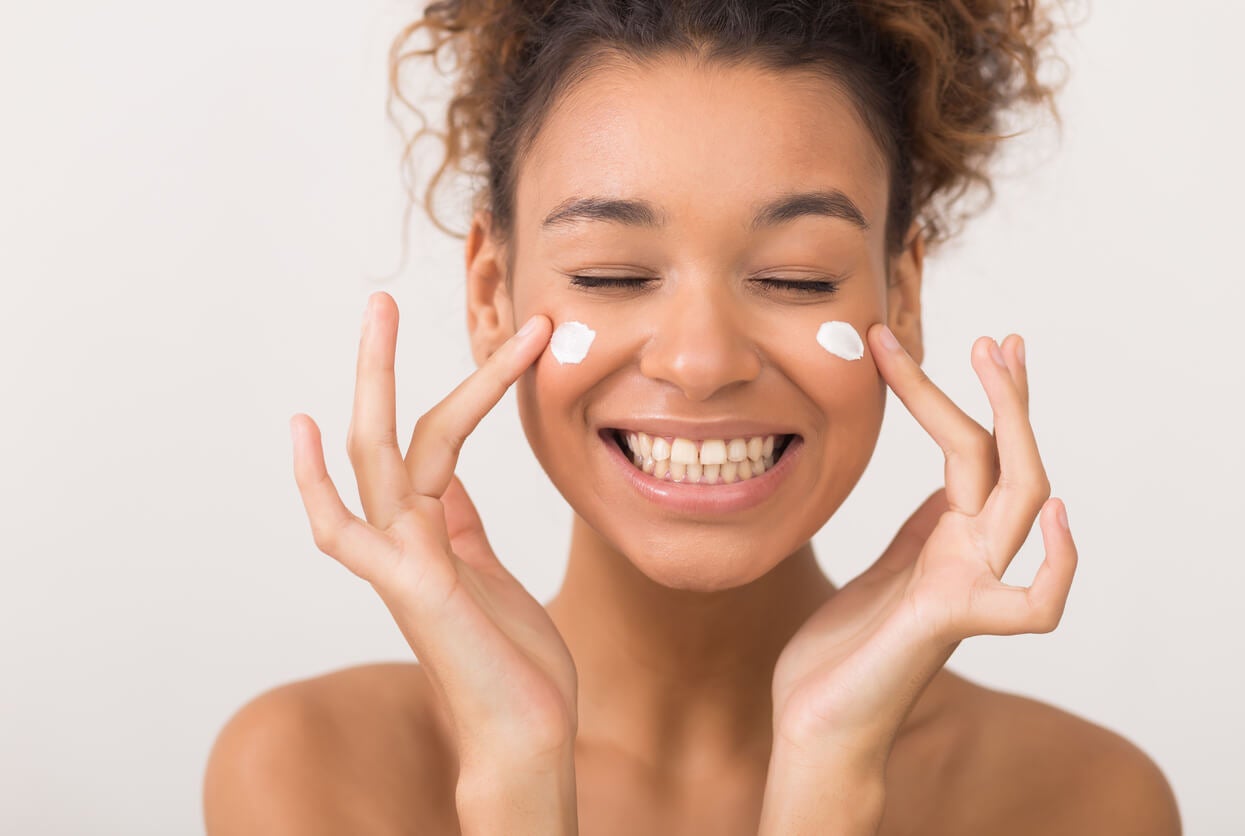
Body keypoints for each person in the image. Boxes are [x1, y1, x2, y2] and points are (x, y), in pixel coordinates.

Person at [204, 1, 1182, 832]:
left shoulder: (1083, 800)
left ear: (903, 293)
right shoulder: (314, 772)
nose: (702, 360)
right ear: (491, 292)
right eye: (613, 274)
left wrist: (827, 768)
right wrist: (517, 769)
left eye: (796, 276)